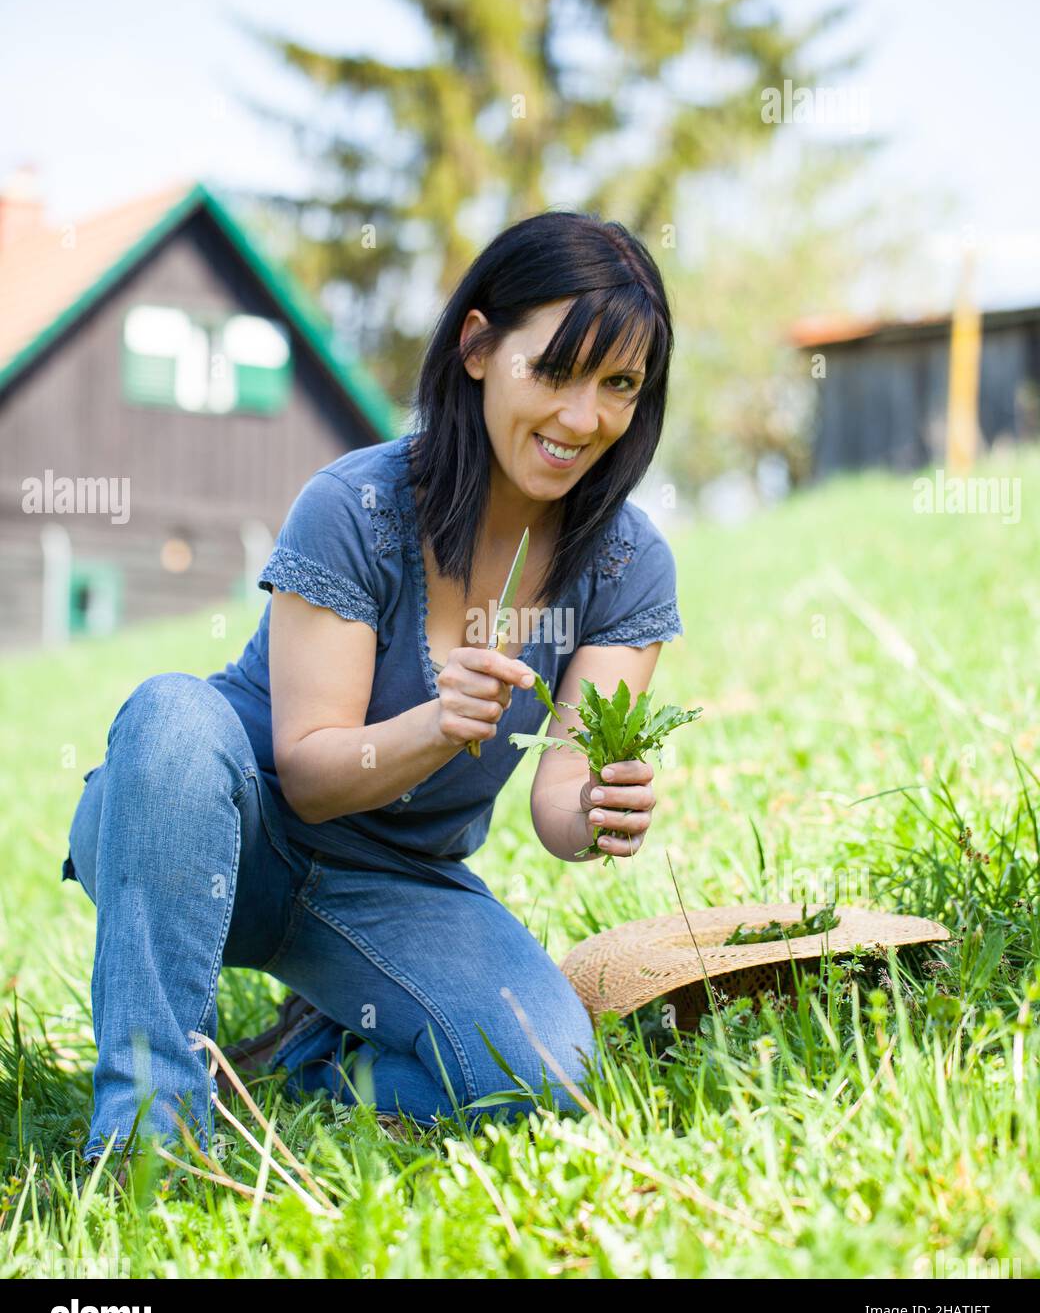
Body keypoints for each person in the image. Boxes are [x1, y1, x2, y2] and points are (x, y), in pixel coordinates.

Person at [62, 208, 684, 1168]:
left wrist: (598, 809)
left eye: (620, 386)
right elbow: (308, 775)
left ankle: (309, 1053)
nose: (582, 418)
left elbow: (558, 802)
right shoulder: (355, 506)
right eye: (553, 371)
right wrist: (437, 724)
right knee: (173, 712)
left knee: (547, 1074)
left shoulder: (626, 564)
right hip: (210, 824)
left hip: (395, 882)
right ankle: (151, 1133)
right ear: (477, 347)